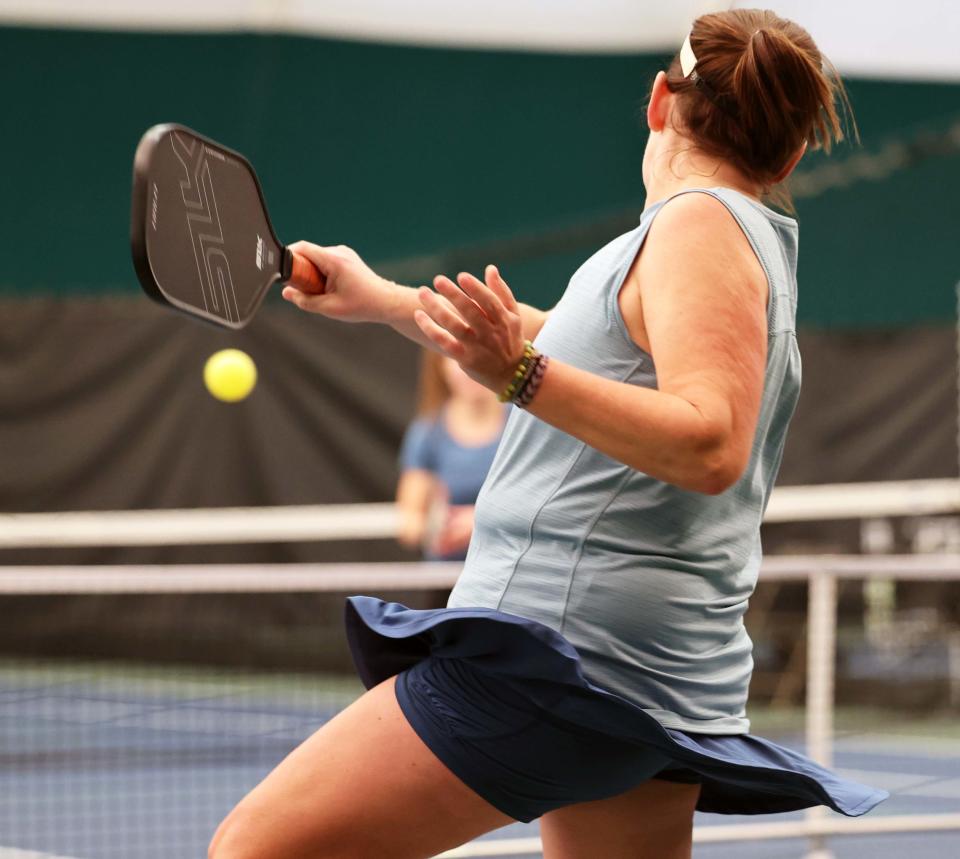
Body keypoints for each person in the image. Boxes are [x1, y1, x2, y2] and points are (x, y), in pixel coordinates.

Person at [210, 10, 887, 859]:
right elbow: (574, 345)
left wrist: (517, 378)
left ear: (657, 100)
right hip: (644, 688)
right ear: (787, 156)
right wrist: (384, 299)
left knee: (255, 850)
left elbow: (710, 442)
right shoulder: (717, 238)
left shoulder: (699, 225)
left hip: (560, 664)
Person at [396, 350, 507, 561]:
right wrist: (433, 524)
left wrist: (480, 522)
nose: (469, 371)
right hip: (447, 577)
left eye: (477, 360)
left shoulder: (522, 422)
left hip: (508, 571)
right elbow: (409, 526)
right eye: (457, 361)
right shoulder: (427, 433)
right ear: (441, 366)